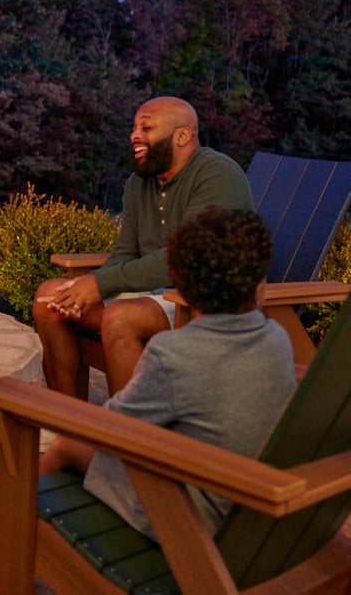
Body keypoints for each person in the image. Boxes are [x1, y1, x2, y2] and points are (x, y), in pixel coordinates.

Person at [0, 206, 297, 548]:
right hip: (252, 504)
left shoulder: (174, 354)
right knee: (73, 444)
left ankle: (10, 519)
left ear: (185, 289)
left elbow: (113, 430)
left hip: (189, 520)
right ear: (259, 286)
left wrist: (58, 421)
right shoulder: (277, 339)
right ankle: (21, 499)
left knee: (67, 443)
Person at [33, 96, 254, 398]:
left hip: (205, 303)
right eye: (134, 127)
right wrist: (86, 286)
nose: (134, 135)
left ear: (182, 135)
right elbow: (126, 252)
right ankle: (65, 417)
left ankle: (126, 426)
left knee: (120, 317)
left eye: (146, 128)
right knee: (49, 299)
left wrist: (100, 284)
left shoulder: (217, 173)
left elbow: (186, 256)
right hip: (154, 295)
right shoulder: (139, 183)